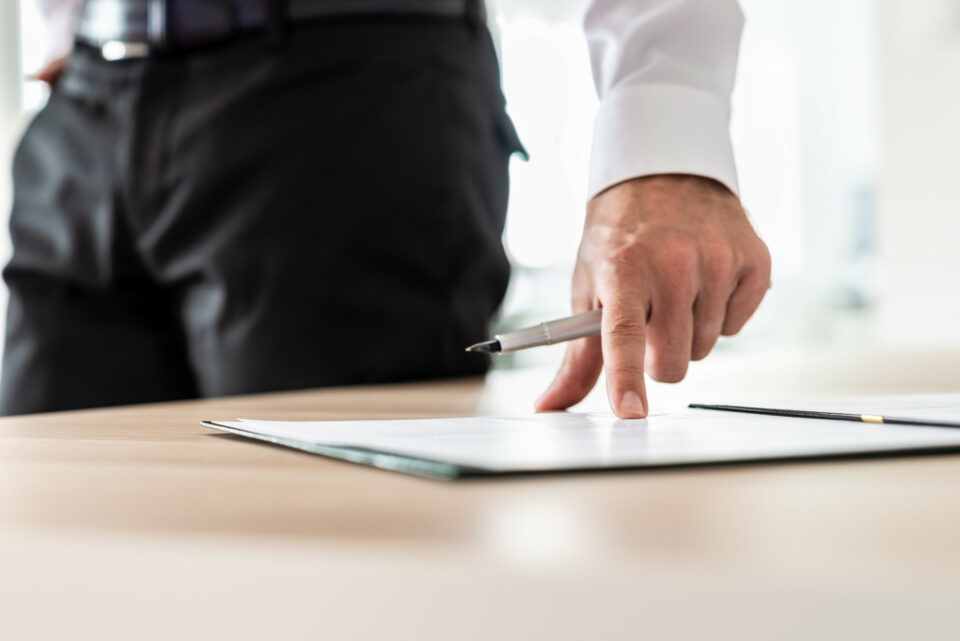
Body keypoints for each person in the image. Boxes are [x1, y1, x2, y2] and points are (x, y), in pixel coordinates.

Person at [2, 0, 769, 418]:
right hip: (87, 93)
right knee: (55, 533)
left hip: (344, 97)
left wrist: (666, 142)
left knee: (329, 559)